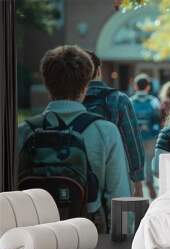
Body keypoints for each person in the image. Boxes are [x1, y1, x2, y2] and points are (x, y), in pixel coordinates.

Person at [18, 45, 131, 232]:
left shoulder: (23, 132)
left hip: (33, 239)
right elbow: (120, 200)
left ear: (47, 85)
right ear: (85, 86)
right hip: (88, 239)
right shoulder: (105, 131)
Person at [83, 50, 145, 196]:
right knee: (118, 218)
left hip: (76, 181)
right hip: (115, 180)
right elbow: (132, 143)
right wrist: (138, 184)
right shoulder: (118, 99)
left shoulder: (70, 100)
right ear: (98, 71)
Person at [130, 73, 161, 199]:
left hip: (135, 137)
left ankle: (137, 184)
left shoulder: (130, 100)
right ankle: (149, 181)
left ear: (135, 86)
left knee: (137, 161)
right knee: (149, 160)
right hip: (151, 136)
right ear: (148, 87)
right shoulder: (153, 101)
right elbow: (158, 118)